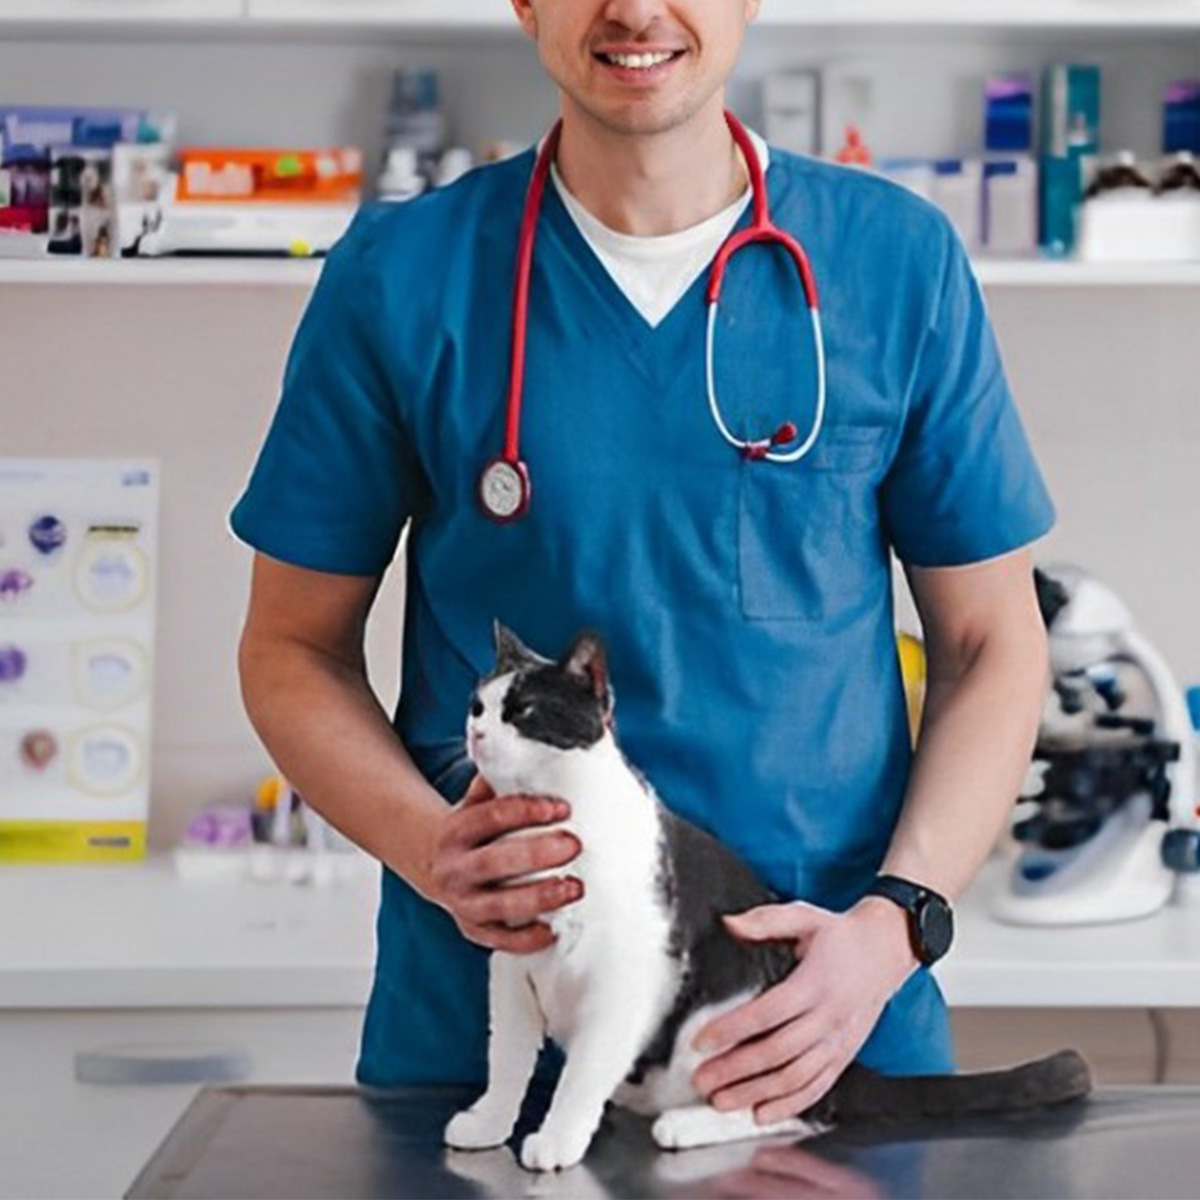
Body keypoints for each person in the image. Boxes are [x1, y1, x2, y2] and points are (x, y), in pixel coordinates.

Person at [232, 0, 1055, 1126]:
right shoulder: (403, 276)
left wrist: (897, 925)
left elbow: (991, 642)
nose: (632, 10)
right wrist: (437, 855)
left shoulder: (894, 264)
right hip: (502, 1044)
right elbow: (291, 647)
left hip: (814, 1037)